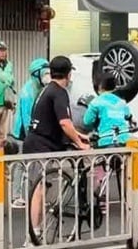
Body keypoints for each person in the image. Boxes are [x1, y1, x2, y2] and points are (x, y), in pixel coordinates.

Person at [22, 55, 90, 239]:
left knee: (40, 186)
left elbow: (54, 120)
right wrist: (79, 143)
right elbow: (65, 123)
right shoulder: (59, 92)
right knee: (39, 189)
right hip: (41, 145)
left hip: (34, 142)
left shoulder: (46, 90)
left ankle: (36, 232)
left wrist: (79, 135)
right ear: (68, 75)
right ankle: (34, 234)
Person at [83, 72, 133, 199]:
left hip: (105, 140)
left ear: (100, 86)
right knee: (124, 170)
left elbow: (86, 121)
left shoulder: (96, 102)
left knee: (102, 167)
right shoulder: (122, 103)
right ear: (115, 87)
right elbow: (128, 116)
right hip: (123, 140)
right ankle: (129, 200)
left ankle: (101, 197)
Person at [10, 58, 50, 208]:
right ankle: (16, 196)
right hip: (23, 134)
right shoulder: (27, 92)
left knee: (35, 166)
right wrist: (32, 137)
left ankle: (36, 196)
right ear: (36, 74)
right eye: (45, 72)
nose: (48, 75)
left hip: (35, 133)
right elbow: (27, 118)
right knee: (22, 164)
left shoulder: (40, 89)